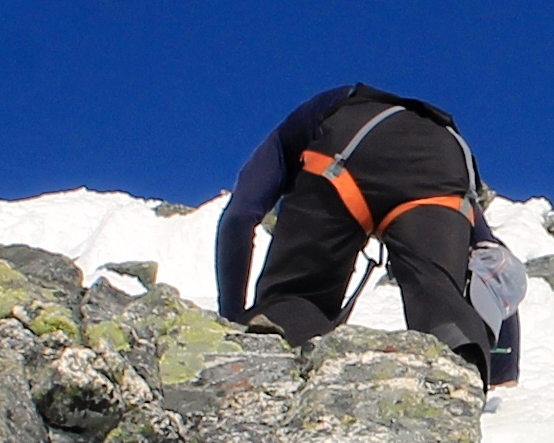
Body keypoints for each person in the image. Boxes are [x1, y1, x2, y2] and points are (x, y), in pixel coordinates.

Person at [213, 84, 523, 388]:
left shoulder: (300, 127)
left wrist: (230, 322)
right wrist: (501, 370)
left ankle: (285, 340)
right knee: (440, 297)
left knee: (296, 295)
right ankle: (457, 378)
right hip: (443, 159)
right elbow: (493, 260)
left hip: (345, 151)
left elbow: (239, 216)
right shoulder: (426, 137)